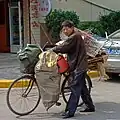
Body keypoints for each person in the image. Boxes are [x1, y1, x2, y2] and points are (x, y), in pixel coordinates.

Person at [52, 20, 95, 119]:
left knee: (75, 88)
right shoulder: (75, 36)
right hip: (78, 65)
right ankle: (90, 106)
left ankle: (70, 111)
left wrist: (52, 50)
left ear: (72, 28)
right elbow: (66, 46)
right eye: (63, 30)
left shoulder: (75, 36)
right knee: (82, 87)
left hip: (79, 66)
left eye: (66, 29)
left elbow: (65, 46)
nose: (65, 31)